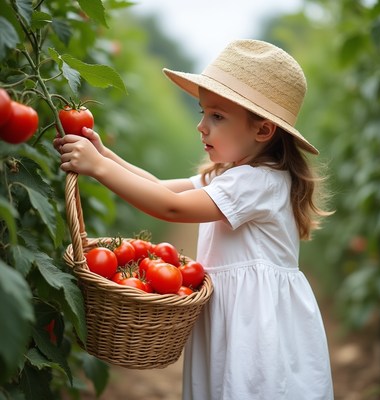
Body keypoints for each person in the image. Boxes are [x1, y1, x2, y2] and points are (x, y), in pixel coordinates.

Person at [55, 39, 334, 400]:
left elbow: (171, 208)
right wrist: (105, 156)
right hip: (233, 316)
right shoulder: (230, 174)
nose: (201, 126)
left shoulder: (258, 182)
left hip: (254, 324)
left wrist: (99, 167)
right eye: (203, 112)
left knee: (254, 387)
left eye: (217, 116)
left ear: (263, 131)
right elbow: (158, 187)